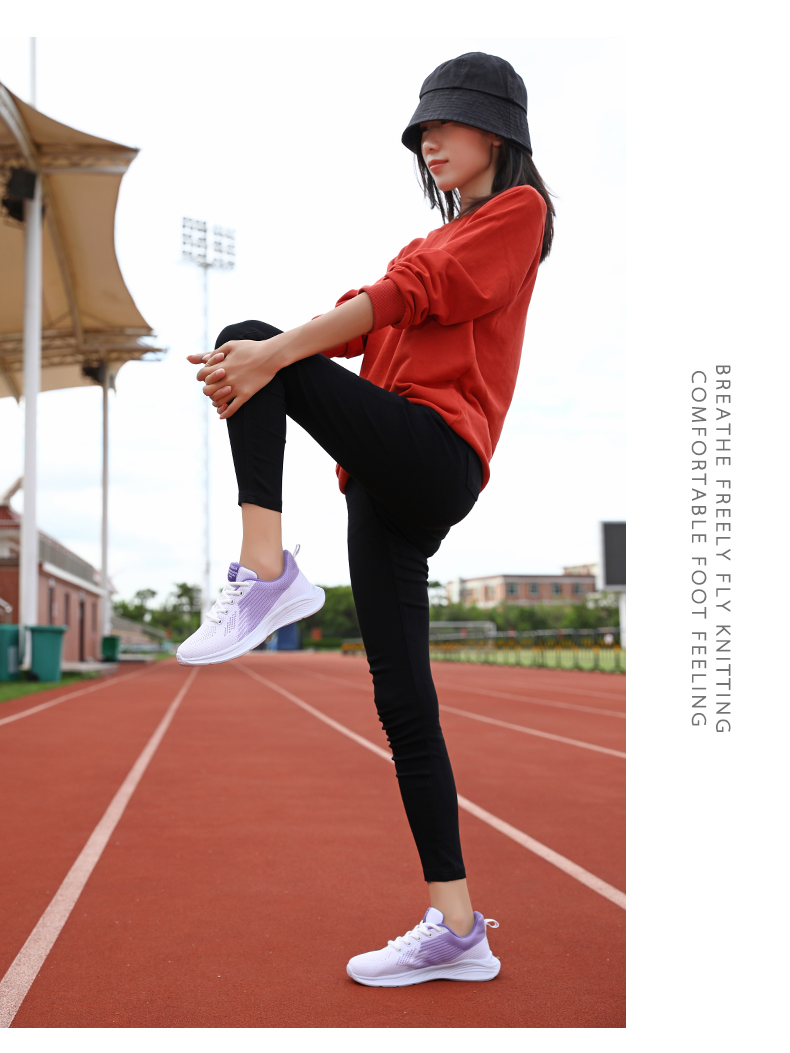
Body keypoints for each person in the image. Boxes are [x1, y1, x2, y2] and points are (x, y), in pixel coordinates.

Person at [177, 51, 555, 987]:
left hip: (435, 451)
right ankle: (457, 927)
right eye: (422, 129)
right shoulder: (433, 239)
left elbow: (409, 298)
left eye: (447, 123)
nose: (430, 140)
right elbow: (371, 312)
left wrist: (263, 356)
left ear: (497, 131)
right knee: (403, 705)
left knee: (250, 340)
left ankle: (266, 572)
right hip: (380, 485)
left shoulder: (519, 214)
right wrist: (261, 365)